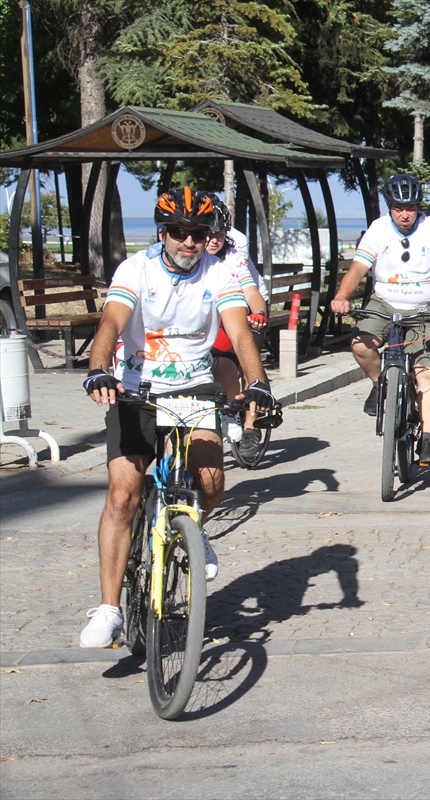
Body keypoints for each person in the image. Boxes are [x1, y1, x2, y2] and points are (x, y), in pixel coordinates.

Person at [78, 187, 274, 648]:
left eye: (198, 233)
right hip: (136, 390)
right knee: (123, 495)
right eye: (179, 232)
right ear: (162, 232)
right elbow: (111, 322)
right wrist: (98, 369)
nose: (189, 242)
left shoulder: (219, 272)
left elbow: (238, 332)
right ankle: (109, 609)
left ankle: (193, 529)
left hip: (195, 389)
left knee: (211, 481)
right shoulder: (136, 269)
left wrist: (258, 383)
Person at [329, 173, 430, 466]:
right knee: (361, 344)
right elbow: (358, 268)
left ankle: (427, 439)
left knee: (427, 371)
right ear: (389, 207)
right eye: (398, 208)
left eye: (410, 208)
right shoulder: (378, 229)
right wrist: (341, 296)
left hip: (426, 306)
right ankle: (381, 383)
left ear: (418, 207)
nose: (404, 214)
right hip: (385, 303)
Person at [206, 196, 269, 448]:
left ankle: (251, 424)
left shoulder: (233, 256)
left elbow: (251, 291)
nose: (213, 240)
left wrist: (259, 313)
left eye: (219, 235)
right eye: (208, 234)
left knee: (246, 358)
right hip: (211, 312)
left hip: (247, 307)